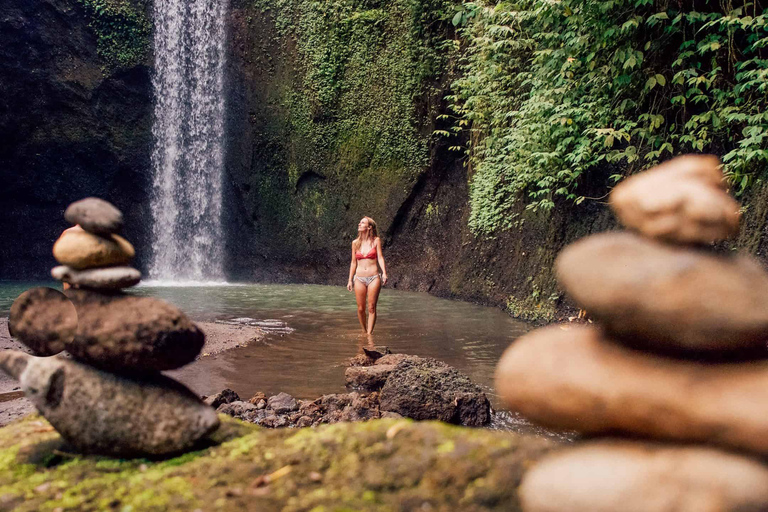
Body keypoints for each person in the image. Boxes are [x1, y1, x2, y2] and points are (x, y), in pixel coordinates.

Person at [347, 217, 388, 334]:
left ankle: (369, 335)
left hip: (374, 277)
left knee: (371, 307)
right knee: (360, 309)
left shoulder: (376, 241)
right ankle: (364, 332)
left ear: (369, 227)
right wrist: (350, 280)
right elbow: (353, 262)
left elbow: (380, 257)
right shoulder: (355, 243)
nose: (359, 224)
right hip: (359, 278)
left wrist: (384, 273)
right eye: (359, 222)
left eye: (362, 223)